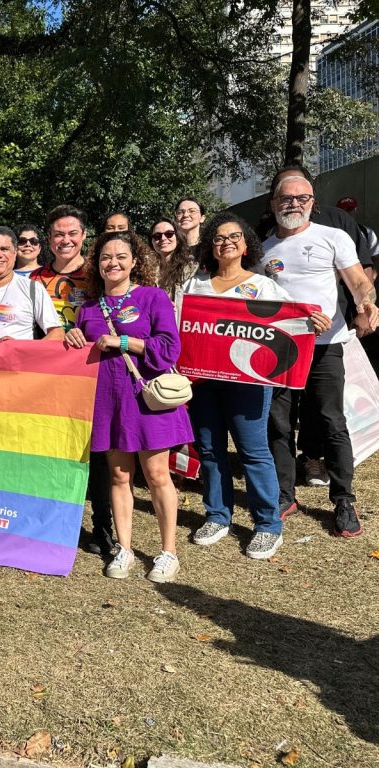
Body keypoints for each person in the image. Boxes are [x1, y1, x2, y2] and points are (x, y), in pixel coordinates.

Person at [180, 213, 329, 559]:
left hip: (248, 384)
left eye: (234, 236)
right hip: (203, 382)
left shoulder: (263, 286)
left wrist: (312, 323)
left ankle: (267, 525)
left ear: (246, 245)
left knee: (253, 452)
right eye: (218, 237)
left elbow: (288, 323)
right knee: (211, 451)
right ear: (210, 246)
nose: (226, 242)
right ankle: (218, 515)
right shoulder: (194, 285)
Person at [65, 231, 193, 583]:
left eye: (121, 256)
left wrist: (123, 341)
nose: (113, 263)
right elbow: (81, 354)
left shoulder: (153, 298)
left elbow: (169, 348)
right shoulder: (88, 308)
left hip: (146, 401)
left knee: (156, 476)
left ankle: (169, 552)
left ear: (135, 261)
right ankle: (124, 547)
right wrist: (72, 337)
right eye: (106, 257)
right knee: (120, 477)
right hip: (107, 403)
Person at [259, 175, 379, 537]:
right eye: (286, 198)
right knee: (278, 423)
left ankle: (343, 500)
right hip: (280, 348)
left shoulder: (333, 237)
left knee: (331, 421)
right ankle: (285, 494)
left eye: (302, 198)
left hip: (326, 345)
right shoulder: (263, 249)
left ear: (312, 202)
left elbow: (358, 281)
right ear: (274, 203)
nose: (294, 204)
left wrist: (367, 304)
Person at [33, 205, 114, 556]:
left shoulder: (100, 275)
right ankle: (51, 524)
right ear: (48, 240)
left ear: (84, 236)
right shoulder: (33, 279)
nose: (65, 240)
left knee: (95, 454)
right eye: (58, 234)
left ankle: (103, 526)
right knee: (50, 451)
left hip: (94, 373)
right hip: (49, 378)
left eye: (72, 233)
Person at [0, 227, 63, 343]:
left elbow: (57, 333)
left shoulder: (33, 289)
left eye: (4, 249)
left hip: (21, 360)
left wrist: (22, 349)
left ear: (15, 254)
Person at [148, 217, 198, 302]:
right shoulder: (147, 269)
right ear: (152, 242)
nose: (163, 238)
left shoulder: (191, 268)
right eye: (157, 236)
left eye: (169, 234)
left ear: (178, 237)